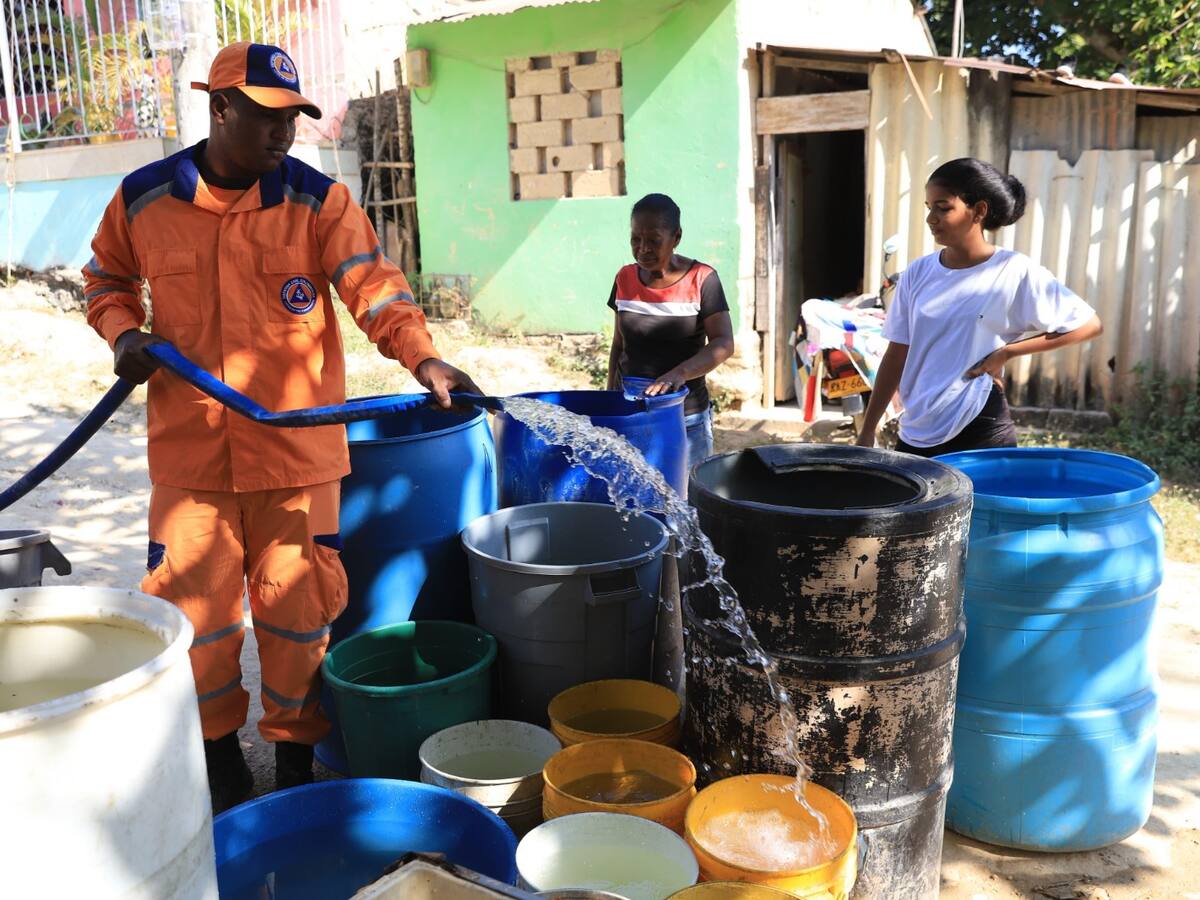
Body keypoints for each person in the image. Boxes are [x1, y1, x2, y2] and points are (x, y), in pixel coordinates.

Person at [83, 42, 480, 812]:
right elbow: (105, 279)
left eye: (292, 119)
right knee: (195, 619)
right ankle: (221, 756)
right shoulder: (142, 200)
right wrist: (125, 333)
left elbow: (377, 289)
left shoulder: (316, 202)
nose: (282, 135)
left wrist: (424, 360)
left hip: (295, 459)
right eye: (265, 118)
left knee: (297, 616)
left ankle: (295, 763)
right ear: (219, 108)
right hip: (190, 460)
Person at [856, 158, 1102, 456]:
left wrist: (1007, 352)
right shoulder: (917, 274)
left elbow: (1088, 324)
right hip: (918, 425)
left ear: (979, 210)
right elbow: (897, 354)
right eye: (929, 207)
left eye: (943, 207)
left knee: (984, 505)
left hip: (979, 420)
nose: (931, 218)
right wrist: (868, 430)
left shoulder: (1013, 271)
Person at [605, 193, 735, 467]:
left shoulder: (702, 279)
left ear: (676, 237)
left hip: (684, 419)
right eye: (635, 239)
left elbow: (723, 342)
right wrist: (610, 399)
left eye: (653, 240)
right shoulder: (624, 278)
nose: (643, 249)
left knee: (686, 500)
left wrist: (680, 373)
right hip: (629, 415)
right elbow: (619, 344)